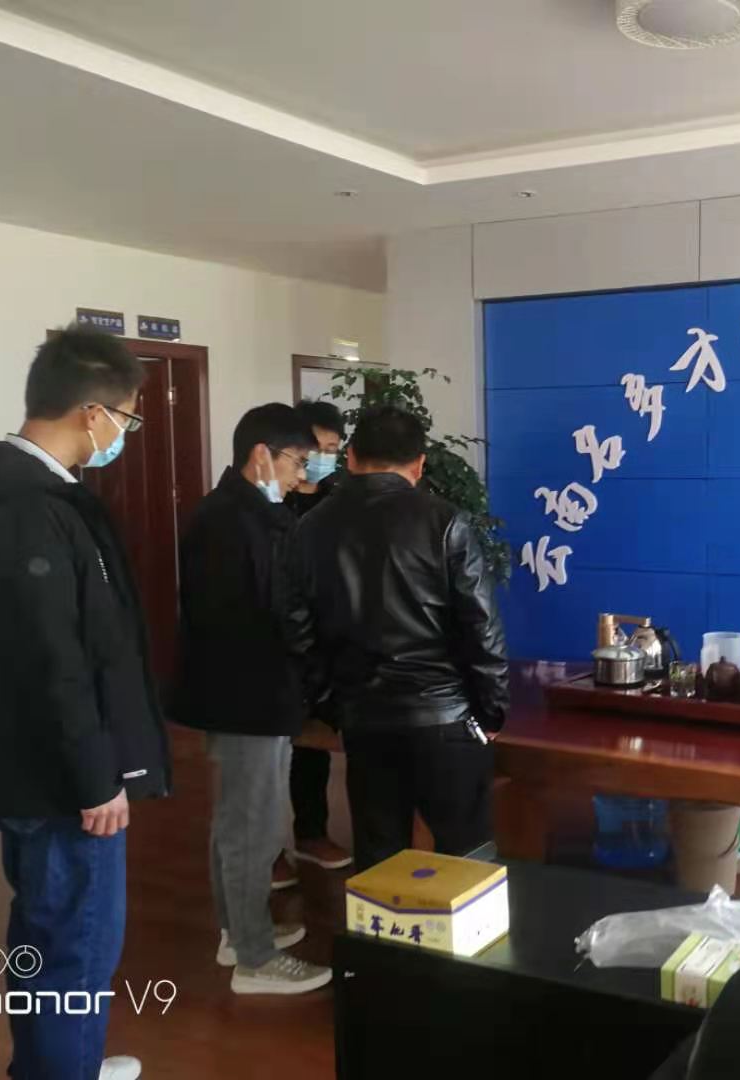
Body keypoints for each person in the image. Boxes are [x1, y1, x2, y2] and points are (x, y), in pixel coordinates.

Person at [0, 325, 169, 1080]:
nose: (123, 436)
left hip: (32, 762)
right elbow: (53, 660)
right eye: (126, 420)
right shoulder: (31, 509)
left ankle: (55, 1064)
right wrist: (97, 776)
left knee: (47, 925)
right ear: (92, 412)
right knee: (76, 944)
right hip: (61, 777)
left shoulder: (16, 496)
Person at [287, 405, 509, 871]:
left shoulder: (310, 528)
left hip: (365, 719)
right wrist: (491, 711)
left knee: (378, 860)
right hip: (445, 717)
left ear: (350, 457)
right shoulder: (446, 522)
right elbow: (481, 628)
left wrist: (332, 706)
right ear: (420, 463)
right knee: (467, 859)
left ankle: (381, 923)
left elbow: (299, 632)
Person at [173, 404, 331, 995]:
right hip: (248, 694)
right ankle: (255, 958)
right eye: (297, 461)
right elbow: (264, 613)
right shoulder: (231, 522)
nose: (301, 476)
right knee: (251, 826)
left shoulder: (247, 514)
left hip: (257, 692)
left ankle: (238, 933)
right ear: (261, 455)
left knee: (243, 820)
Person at [273, 399, 352, 889]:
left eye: (332, 448)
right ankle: (267, 852)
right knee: (267, 757)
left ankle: (312, 833)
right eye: (316, 448)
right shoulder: (270, 501)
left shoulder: (338, 500)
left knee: (314, 749)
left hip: (327, 644)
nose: (324, 458)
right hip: (277, 647)